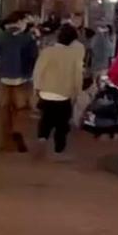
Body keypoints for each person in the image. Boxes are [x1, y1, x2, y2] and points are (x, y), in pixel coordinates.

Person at [33, 24, 84, 160]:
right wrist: (77, 92)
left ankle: (42, 138)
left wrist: (37, 88)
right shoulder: (74, 55)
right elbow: (77, 75)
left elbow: (38, 71)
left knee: (46, 118)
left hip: (46, 91)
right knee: (62, 124)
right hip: (64, 94)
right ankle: (58, 151)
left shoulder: (47, 51)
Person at [0, 11, 38, 153]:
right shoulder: (27, 38)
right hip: (22, 78)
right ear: (19, 22)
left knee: (4, 110)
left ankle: (6, 142)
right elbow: (33, 56)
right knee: (21, 110)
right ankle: (18, 136)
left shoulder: (0, 37)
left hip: (4, 77)